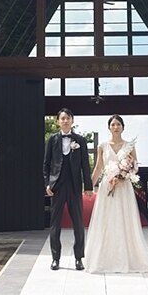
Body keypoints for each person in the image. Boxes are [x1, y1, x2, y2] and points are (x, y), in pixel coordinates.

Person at [85, 114, 148, 274]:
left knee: (124, 219)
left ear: (123, 127)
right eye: (113, 124)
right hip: (107, 186)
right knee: (107, 220)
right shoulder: (103, 146)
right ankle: (104, 257)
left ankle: (128, 256)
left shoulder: (129, 146)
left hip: (123, 187)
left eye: (118, 124)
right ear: (109, 127)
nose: (116, 127)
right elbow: (98, 167)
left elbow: (135, 166)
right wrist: (89, 186)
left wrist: (123, 175)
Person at [43, 107, 93, 271]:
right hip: (57, 186)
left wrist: (88, 186)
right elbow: (46, 164)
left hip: (74, 185)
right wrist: (47, 184)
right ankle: (55, 259)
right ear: (58, 121)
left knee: (78, 223)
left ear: (72, 121)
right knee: (55, 223)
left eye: (68, 118)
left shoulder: (80, 140)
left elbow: (85, 164)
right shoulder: (52, 139)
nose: (65, 121)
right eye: (62, 118)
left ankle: (79, 258)